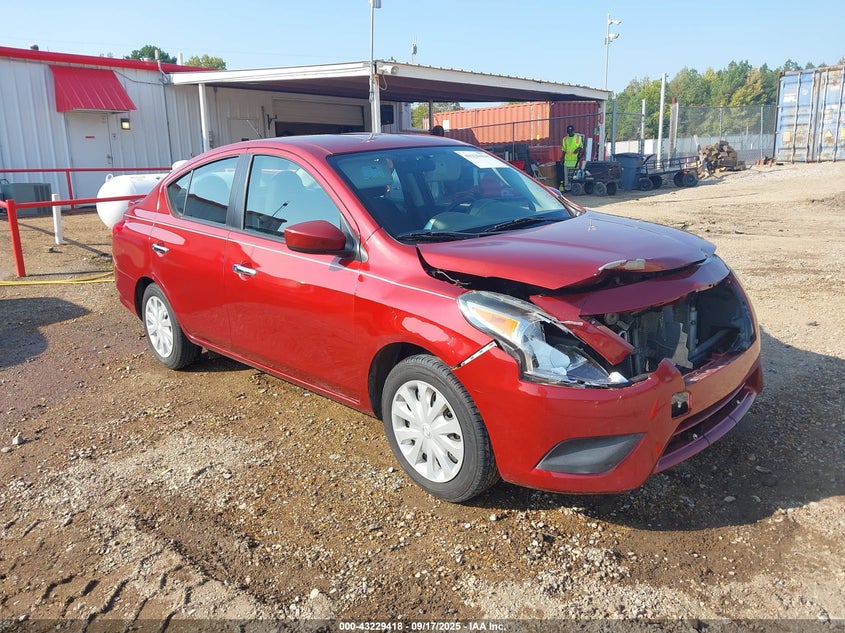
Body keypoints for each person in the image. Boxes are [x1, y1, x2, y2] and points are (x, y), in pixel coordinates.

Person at [560, 124, 584, 191]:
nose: (570, 133)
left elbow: (581, 148)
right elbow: (564, 150)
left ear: (573, 131)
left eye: (571, 131)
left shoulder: (578, 138)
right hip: (567, 161)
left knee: (575, 176)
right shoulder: (565, 139)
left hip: (575, 161)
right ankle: (567, 188)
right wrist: (562, 158)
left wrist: (578, 149)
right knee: (567, 176)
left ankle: (575, 187)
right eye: (569, 132)